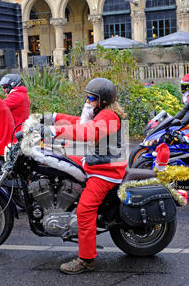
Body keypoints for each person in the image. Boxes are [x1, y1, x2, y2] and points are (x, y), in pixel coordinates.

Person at [41, 78, 128, 274]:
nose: (87, 101)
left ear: (102, 100)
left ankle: (86, 259)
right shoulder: (102, 113)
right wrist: (52, 118)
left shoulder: (108, 116)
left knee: (85, 211)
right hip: (95, 163)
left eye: (91, 98)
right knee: (55, 159)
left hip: (106, 171)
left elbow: (87, 131)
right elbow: (78, 122)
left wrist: (54, 131)